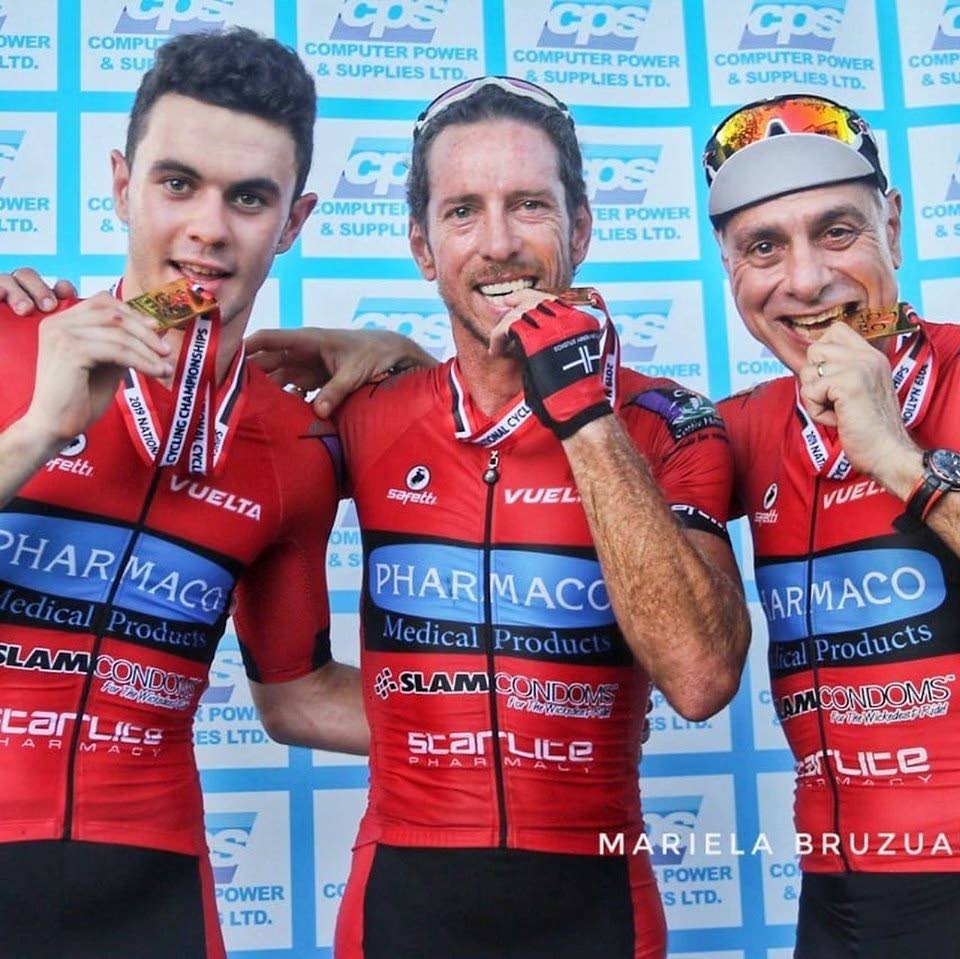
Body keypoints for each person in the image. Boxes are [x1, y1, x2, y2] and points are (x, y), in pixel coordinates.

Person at [244, 75, 751, 959]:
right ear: (422, 246)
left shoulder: (671, 422)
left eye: (529, 205)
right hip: (399, 897)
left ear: (582, 229)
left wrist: (585, 418)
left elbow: (702, 680)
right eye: (463, 212)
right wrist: (460, 730)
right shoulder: (361, 414)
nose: (501, 244)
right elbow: (288, 700)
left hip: (600, 904)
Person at [0, 27, 427, 959]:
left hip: (154, 893)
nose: (208, 228)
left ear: (296, 219)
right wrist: (34, 430)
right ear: (122, 182)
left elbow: (296, 697)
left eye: (248, 198)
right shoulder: (8, 334)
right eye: (177, 182)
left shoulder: (296, 441)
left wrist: (517, 717)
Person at [704, 94, 960, 957]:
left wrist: (898, 457)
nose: (805, 280)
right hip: (839, 896)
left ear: (893, 221)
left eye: (837, 231)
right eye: (763, 248)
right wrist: (391, 361)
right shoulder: (743, 425)